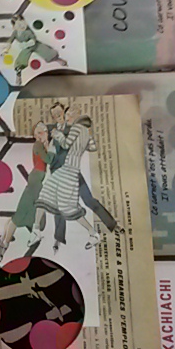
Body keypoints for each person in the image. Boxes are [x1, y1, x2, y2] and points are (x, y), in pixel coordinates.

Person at [48, 103, 123, 253]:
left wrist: (88, 134)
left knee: (88, 199)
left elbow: (89, 147)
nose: (58, 116)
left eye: (60, 113)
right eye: (54, 115)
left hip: (72, 171)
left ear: (65, 113)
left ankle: (113, 225)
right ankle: (58, 238)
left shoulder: (75, 128)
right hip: (58, 172)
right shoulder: (52, 130)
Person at [29, 105, 100, 250]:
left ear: (73, 116)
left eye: (67, 115)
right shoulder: (86, 132)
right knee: (45, 193)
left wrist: (58, 135)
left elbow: (66, 145)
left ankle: (93, 233)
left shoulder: (76, 128)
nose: (65, 117)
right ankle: (36, 230)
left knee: (68, 208)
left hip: (69, 171)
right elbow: (93, 147)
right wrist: (86, 137)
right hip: (66, 169)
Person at [0, 122, 53, 262]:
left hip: (37, 181)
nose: (41, 135)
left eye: (43, 132)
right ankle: (4, 244)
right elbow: (49, 159)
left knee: (23, 213)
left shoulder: (40, 145)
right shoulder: (38, 145)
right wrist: (49, 146)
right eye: (38, 133)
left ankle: (2, 241)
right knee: (20, 215)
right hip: (35, 181)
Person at [2, 14, 67, 85]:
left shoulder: (28, 31)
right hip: (27, 48)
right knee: (21, 61)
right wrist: (6, 49)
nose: (22, 26)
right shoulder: (15, 33)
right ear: (14, 27)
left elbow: (33, 40)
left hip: (35, 45)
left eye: (23, 23)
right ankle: (18, 76)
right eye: (19, 25)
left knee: (47, 53)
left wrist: (25, 44)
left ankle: (58, 59)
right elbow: (10, 40)